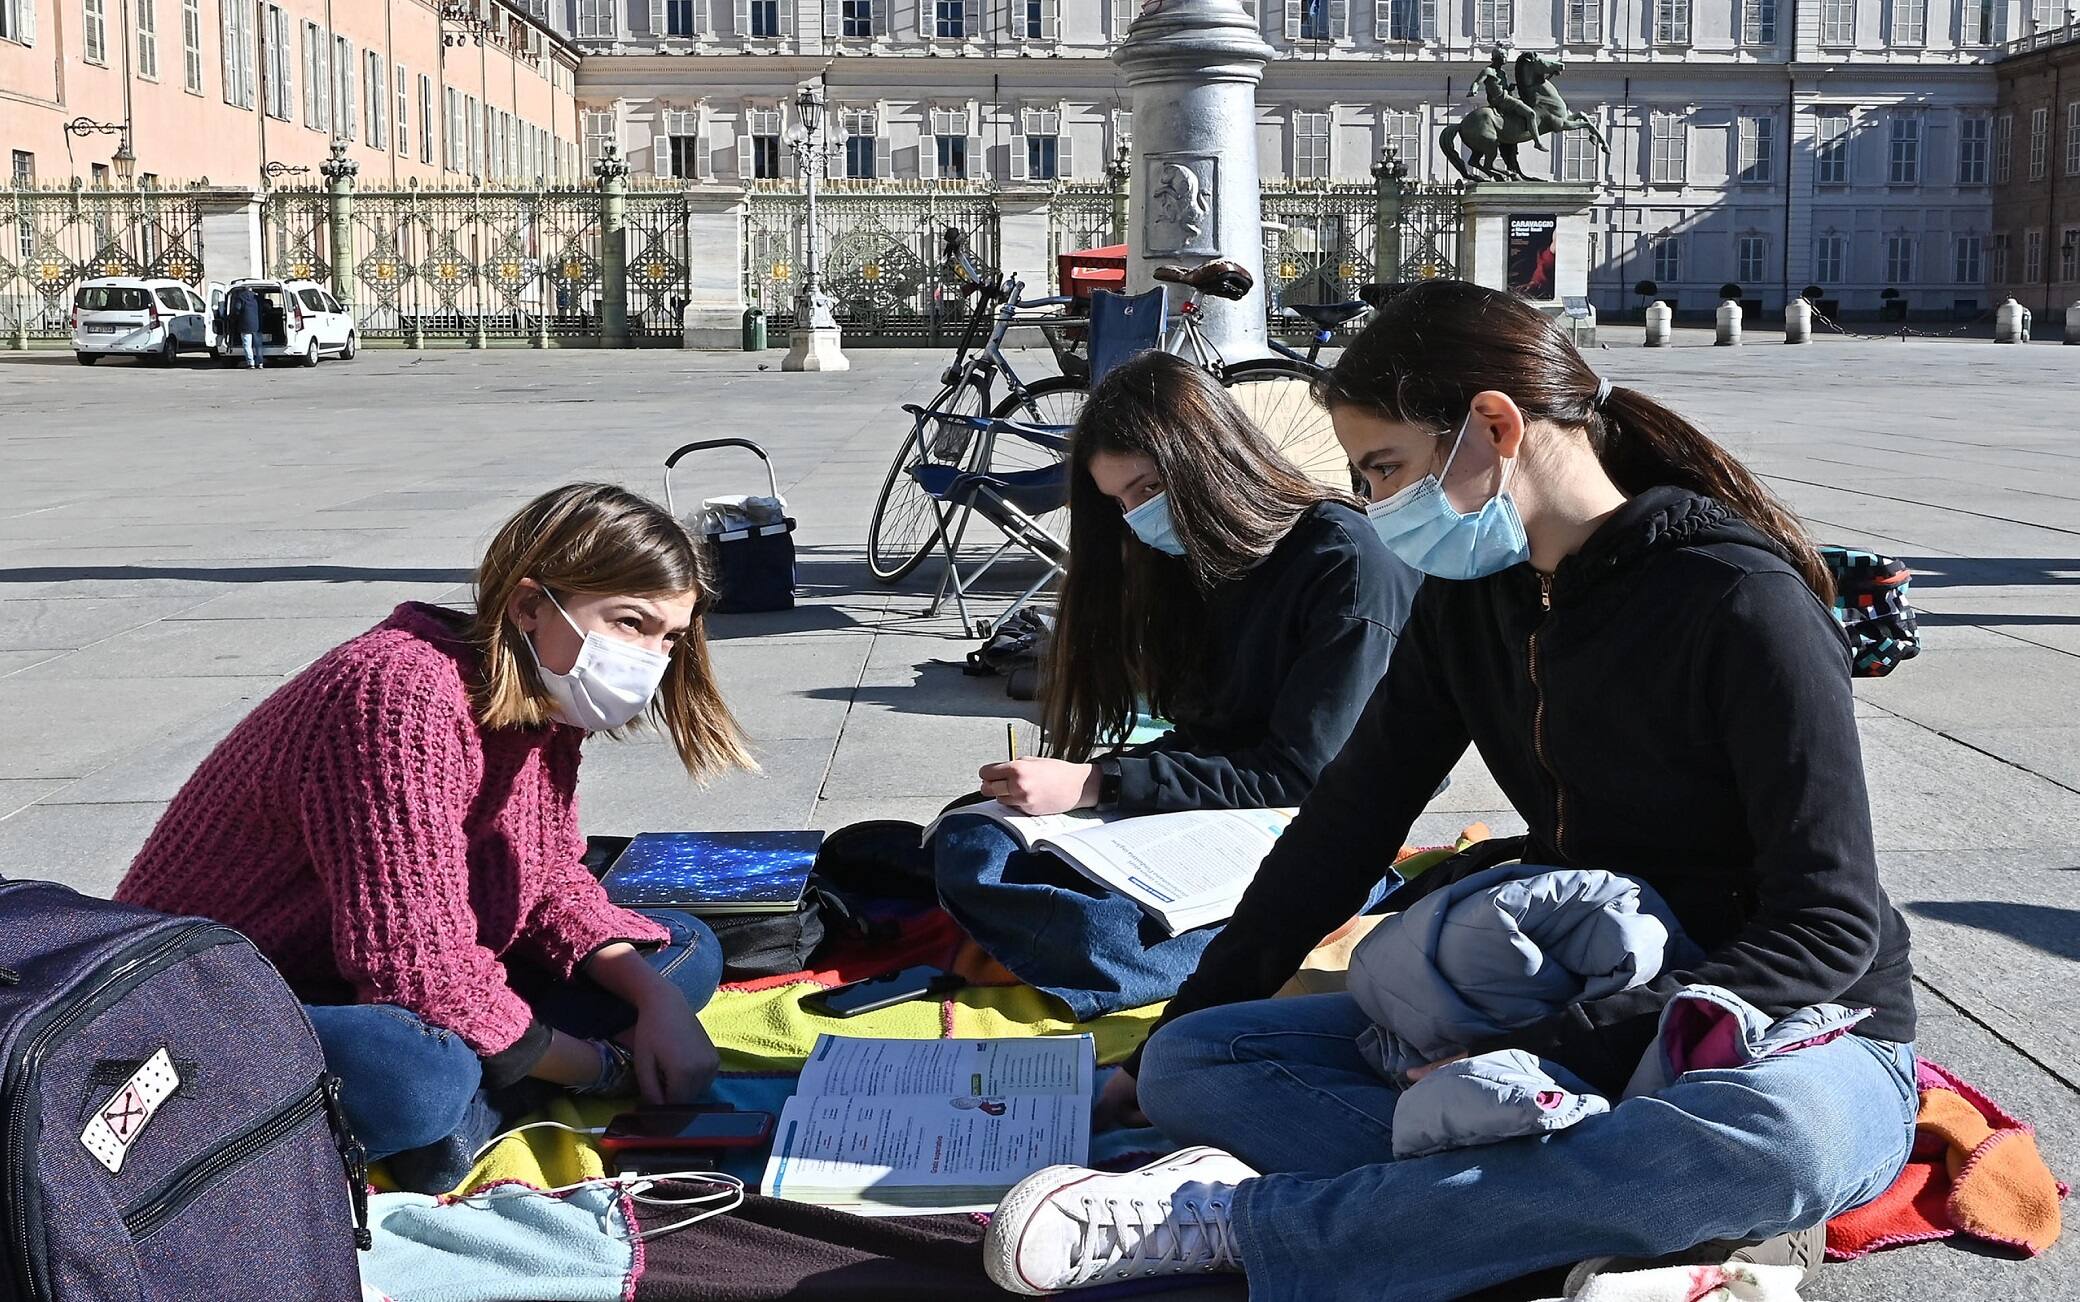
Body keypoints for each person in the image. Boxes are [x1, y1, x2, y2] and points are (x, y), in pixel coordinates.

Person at [984, 279, 1918, 1299]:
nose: (1376, 507)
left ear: (1494, 423)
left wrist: (1554, 1053)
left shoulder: (1740, 603)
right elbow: (1342, 827)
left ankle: (1256, 1228)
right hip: (1562, 994)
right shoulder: (1470, 602)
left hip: (1778, 1029)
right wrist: (1160, 1044)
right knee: (1198, 1065)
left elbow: (1827, 926)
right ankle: (1610, 1218)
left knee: (1781, 1146)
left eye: (1384, 469)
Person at [117, 483, 753, 1192]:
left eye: (668, 637)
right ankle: (460, 1113)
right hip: (226, 996)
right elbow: (417, 971)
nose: (652, 657)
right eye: (631, 623)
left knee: (683, 952)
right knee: (416, 1074)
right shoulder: (396, 693)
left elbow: (548, 879)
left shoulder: (543, 693)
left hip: (387, 973)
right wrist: (609, 1067)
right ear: (530, 606)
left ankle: (480, 1099)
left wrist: (653, 1000)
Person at [932, 350, 1420, 1020]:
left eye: (1144, 489)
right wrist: (1090, 782)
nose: (1135, 516)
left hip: (1306, 827)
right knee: (976, 839)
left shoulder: (1348, 564)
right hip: (1209, 816)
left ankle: (1256, 936)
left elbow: (1304, 774)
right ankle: (1120, 938)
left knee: (1068, 910)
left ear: (1207, 463)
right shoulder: (1200, 554)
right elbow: (1203, 731)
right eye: (1120, 501)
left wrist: (1103, 785)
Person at [229, 283, 263, 369]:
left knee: (247, 345)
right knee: (258, 345)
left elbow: (237, 309)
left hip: (245, 324)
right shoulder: (257, 298)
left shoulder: (240, 297)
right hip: (257, 325)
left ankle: (251, 363)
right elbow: (261, 309)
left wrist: (233, 317)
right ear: (251, 290)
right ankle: (260, 363)